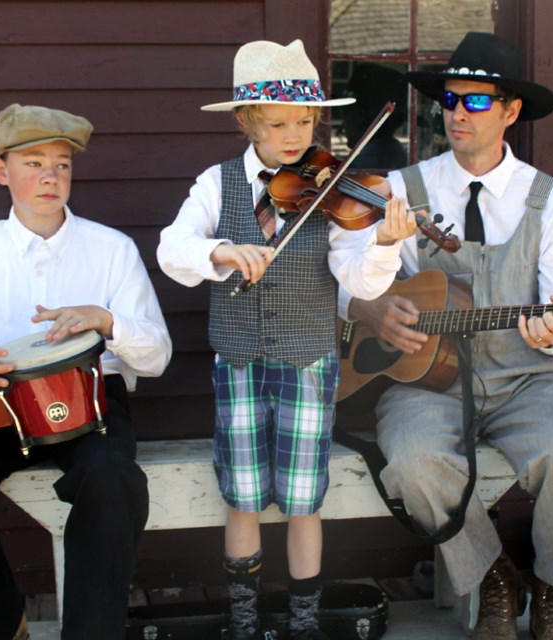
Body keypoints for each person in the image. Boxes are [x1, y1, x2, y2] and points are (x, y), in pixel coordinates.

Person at [341, 33, 553, 640]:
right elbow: (346, 281)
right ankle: (492, 576)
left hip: (528, 378)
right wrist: (372, 309)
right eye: (450, 97)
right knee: (411, 464)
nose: (458, 111)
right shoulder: (403, 188)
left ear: (511, 111)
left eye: (477, 101)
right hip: (426, 380)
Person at [157, 40, 416, 640]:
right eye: (278, 124)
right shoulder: (216, 184)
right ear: (247, 121)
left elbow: (355, 279)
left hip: (308, 360)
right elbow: (173, 248)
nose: (295, 135)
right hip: (239, 361)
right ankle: (244, 620)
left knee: (304, 497)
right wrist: (218, 250)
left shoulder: (331, 186)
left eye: (305, 120)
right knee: (243, 494)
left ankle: (303, 622)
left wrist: (384, 244)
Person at [0, 103, 172, 640]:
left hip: (90, 403)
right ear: (1, 171)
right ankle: (6, 626)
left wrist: (106, 321)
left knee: (112, 479)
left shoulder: (112, 249)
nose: (50, 176)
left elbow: (157, 355)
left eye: (62, 164)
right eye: (33, 162)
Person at [339, 62, 409, 170]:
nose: (343, 127)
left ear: (359, 116)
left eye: (346, 115)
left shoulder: (367, 161)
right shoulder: (393, 150)